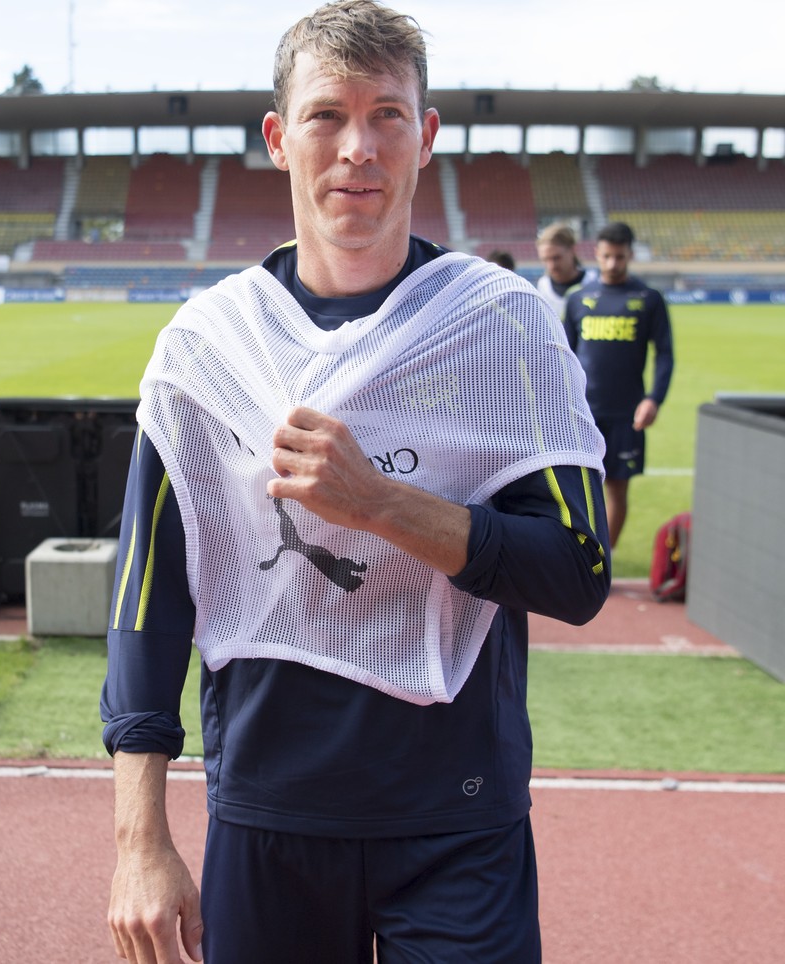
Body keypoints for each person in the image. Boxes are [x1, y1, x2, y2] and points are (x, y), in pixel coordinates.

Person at [100, 2, 610, 962]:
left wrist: (380, 504)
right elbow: (147, 600)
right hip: (268, 807)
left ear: (426, 137)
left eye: (386, 115)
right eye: (327, 115)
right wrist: (140, 837)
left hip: (458, 813)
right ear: (278, 138)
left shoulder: (504, 327)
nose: (357, 148)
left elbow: (578, 572)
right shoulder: (207, 351)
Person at [562, 220, 675, 548]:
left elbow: (665, 354)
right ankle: (577, 557)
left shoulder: (648, 299)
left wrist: (654, 398)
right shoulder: (578, 299)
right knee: (576, 490)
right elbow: (564, 357)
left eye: (620, 257)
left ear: (630, 255)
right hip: (582, 413)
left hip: (627, 413)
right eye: (607, 256)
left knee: (617, 491)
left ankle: (602, 562)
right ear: (596, 253)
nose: (613, 264)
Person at [534, 223, 595, 321]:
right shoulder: (543, 286)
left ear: (572, 250)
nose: (551, 266)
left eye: (556, 258)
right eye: (545, 260)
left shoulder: (593, 282)